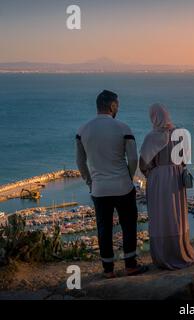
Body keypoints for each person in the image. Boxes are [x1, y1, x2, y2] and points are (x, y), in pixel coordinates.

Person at [76, 90, 148, 278]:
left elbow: (80, 162)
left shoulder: (83, 130)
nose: (119, 108)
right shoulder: (123, 128)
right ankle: (130, 265)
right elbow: (132, 159)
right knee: (129, 226)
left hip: (99, 189)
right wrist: (129, 177)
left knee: (103, 228)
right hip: (123, 186)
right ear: (112, 106)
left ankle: (108, 270)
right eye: (118, 105)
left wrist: (89, 181)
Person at [139, 103, 194, 270]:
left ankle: (164, 255)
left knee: (161, 215)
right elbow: (186, 158)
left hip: (159, 179)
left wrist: (151, 172)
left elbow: (143, 163)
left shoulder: (152, 137)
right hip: (177, 177)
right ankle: (181, 250)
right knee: (177, 214)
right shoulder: (180, 133)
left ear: (154, 117)